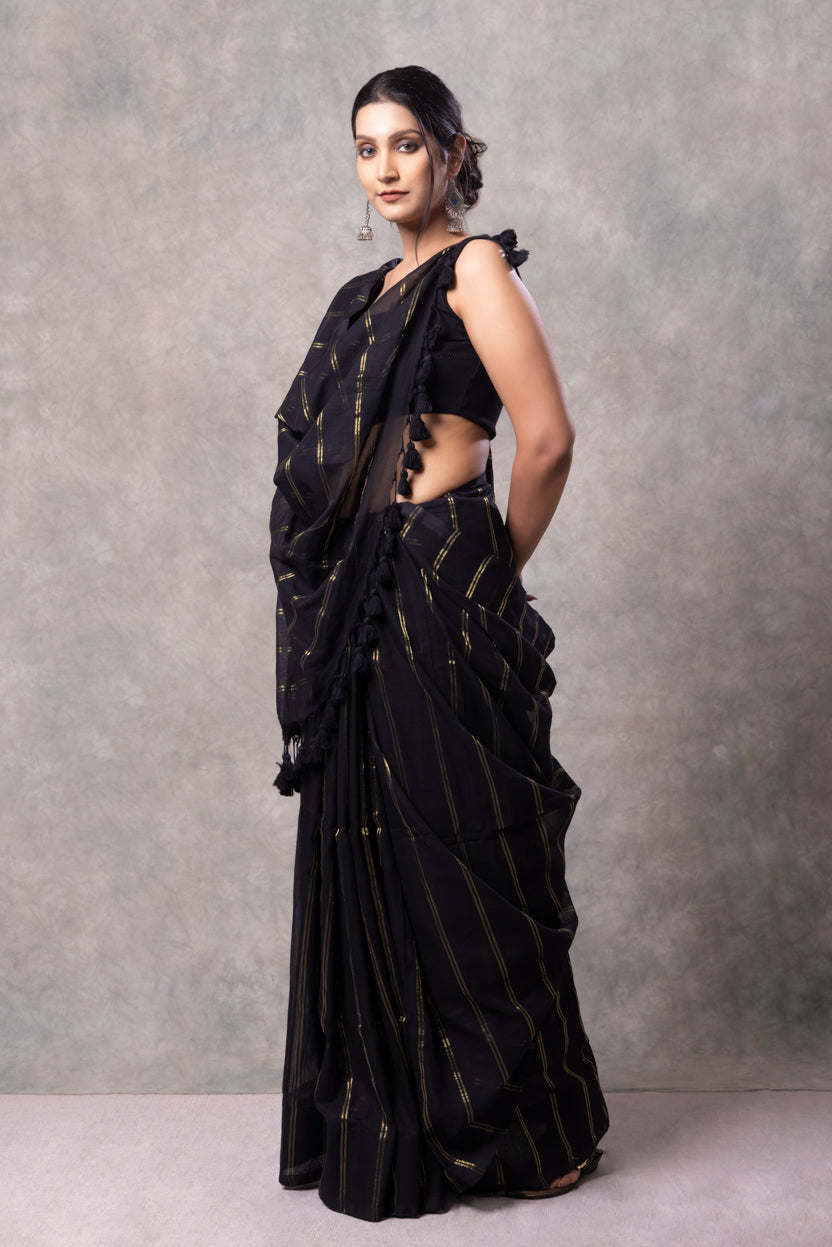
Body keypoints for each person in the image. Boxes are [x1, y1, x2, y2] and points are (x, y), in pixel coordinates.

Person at [269, 65, 608, 1222]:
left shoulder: (474, 269)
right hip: (357, 600)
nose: (386, 168)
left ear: (455, 151)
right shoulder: (361, 296)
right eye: (366, 149)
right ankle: (410, 1111)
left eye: (407, 143)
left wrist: (486, 573)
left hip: (437, 575)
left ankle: (532, 1132)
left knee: (470, 856)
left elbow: (548, 439)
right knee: (381, 858)